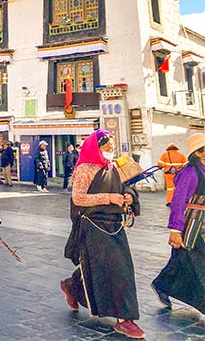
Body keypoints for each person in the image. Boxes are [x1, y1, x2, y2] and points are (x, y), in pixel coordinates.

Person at [60, 129, 144, 339]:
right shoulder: (84, 170)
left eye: (112, 147)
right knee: (109, 270)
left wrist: (128, 197)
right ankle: (124, 320)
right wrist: (109, 197)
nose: (110, 149)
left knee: (119, 269)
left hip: (115, 225)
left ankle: (73, 285)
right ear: (95, 147)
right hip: (94, 226)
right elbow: (78, 199)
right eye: (107, 147)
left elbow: (129, 188)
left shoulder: (113, 166)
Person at [151, 133, 205, 314]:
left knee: (180, 261)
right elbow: (178, 201)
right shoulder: (190, 173)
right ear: (199, 153)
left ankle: (161, 285)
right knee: (198, 263)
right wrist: (175, 230)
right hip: (192, 226)